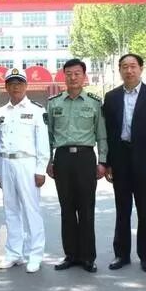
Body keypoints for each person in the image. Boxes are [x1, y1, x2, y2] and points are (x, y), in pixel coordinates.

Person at [102, 54, 146, 273]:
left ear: (141, 69)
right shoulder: (111, 97)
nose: (129, 71)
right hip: (120, 159)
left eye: (133, 66)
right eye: (124, 67)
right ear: (119, 70)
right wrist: (108, 163)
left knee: (145, 211)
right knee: (122, 210)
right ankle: (121, 255)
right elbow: (108, 133)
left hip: (145, 161)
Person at [46, 58, 107, 273]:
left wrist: (102, 161)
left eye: (77, 73)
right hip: (62, 158)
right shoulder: (54, 103)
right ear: (64, 76)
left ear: (84, 76)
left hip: (85, 158)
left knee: (86, 208)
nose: (73, 77)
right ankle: (71, 255)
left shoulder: (94, 103)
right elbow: (49, 136)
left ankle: (88, 257)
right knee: (67, 209)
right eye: (69, 74)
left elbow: (101, 135)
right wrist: (49, 160)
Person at [0, 68, 50, 273]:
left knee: (31, 210)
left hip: (27, 164)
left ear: (26, 86)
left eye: (19, 83)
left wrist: (41, 169)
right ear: (6, 87)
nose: (15, 87)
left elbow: (42, 142)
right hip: (6, 163)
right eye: (11, 83)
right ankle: (14, 253)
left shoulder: (37, 110)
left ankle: (35, 255)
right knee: (11, 210)